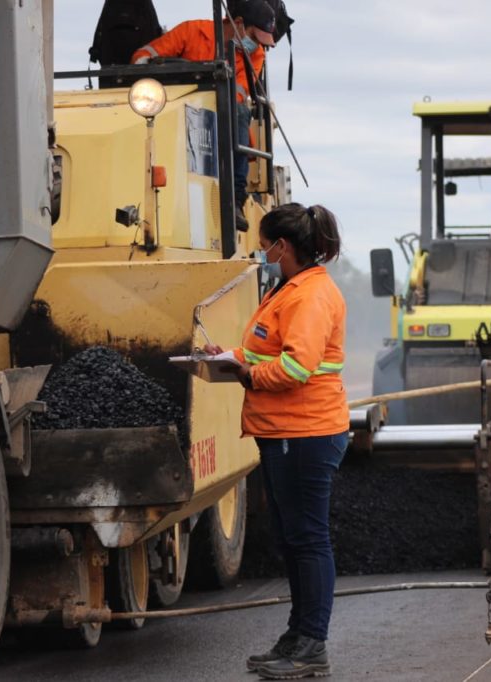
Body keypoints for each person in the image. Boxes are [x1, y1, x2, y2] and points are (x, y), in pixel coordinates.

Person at [203, 203, 347, 679]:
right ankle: (298, 635)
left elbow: (296, 366)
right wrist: (228, 356)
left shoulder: (310, 296)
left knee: (308, 539)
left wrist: (248, 375)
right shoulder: (289, 290)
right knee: (293, 538)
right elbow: (268, 348)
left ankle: (312, 645)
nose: (260, 252)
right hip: (285, 431)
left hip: (305, 432)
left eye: (264, 245)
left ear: (282, 246)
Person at [131, 0, 276, 231]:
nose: (257, 45)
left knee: (239, 111)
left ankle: (235, 199)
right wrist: (145, 64)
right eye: (254, 37)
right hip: (170, 108)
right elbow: (145, 54)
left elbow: (239, 94)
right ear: (238, 23)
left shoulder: (255, 55)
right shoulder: (192, 30)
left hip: (218, 114)